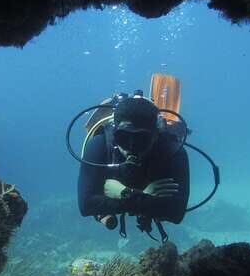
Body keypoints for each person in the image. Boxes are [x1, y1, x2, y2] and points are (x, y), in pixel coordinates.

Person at [77, 95, 190, 241]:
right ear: (114, 133)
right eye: (124, 138)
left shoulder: (173, 152)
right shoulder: (100, 144)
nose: (131, 147)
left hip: (119, 193)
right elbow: (85, 205)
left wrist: (124, 193)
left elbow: (176, 213)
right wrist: (143, 198)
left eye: (141, 140)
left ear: (156, 136)